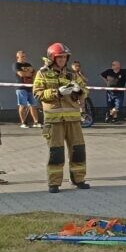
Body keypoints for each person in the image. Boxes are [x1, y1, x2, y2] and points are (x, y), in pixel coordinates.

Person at [33, 42, 91, 193]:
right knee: (56, 152)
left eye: (65, 57)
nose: (62, 60)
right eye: (59, 57)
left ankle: (79, 179)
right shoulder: (43, 74)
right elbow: (37, 93)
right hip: (54, 121)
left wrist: (79, 91)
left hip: (73, 120)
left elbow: (85, 89)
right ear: (52, 58)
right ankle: (54, 183)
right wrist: (57, 92)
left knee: (78, 150)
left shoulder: (72, 74)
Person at [13, 50, 42, 128]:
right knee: (23, 105)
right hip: (21, 88)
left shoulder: (28, 64)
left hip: (30, 87)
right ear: (17, 57)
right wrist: (28, 72)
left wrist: (29, 73)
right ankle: (23, 123)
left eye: (24, 56)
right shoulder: (16, 65)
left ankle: (36, 122)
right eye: (21, 56)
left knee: (33, 105)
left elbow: (34, 73)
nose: (23, 58)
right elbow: (21, 74)